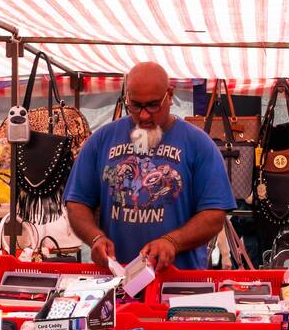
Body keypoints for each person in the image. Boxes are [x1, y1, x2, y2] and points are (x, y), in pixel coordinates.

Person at [65, 62, 236, 272]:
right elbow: (77, 203)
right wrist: (95, 237)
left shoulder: (199, 144)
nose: (144, 115)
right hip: (117, 277)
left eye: (153, 105)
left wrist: (173, 241)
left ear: (170, 95)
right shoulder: (102, 140)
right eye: (135, 105)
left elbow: (214, 215)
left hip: (179, 283)